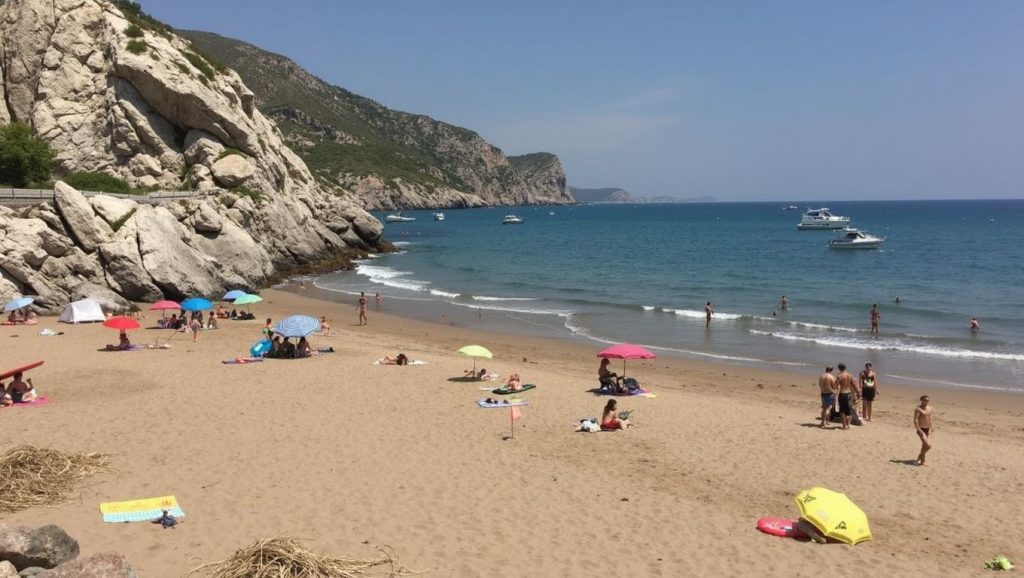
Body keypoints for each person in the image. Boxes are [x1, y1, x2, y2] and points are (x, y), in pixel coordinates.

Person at [835, 363, 857, 430]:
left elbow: (835, 386)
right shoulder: (850, 375)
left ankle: (844, 426)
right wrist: (858, 393)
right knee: (849, 410)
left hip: (842, 394)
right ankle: (848, 425)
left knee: (842, 410)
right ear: (845, 368)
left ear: (839, 368)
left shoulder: (839, 376)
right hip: (849, 394)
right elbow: (854, 385)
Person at [914, 395, 934, 465]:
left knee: (924, 446)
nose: (926, 401)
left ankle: (922, 461)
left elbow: (931, 419)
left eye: (928, 400)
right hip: (921, 429)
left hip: (928, 429)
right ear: (921, 400)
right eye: (925, 400)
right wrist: (918, 429)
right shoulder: (918, 409)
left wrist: (931, 428)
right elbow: (915, 420)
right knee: (928, 446)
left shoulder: (930, 408)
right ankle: (919, 457)